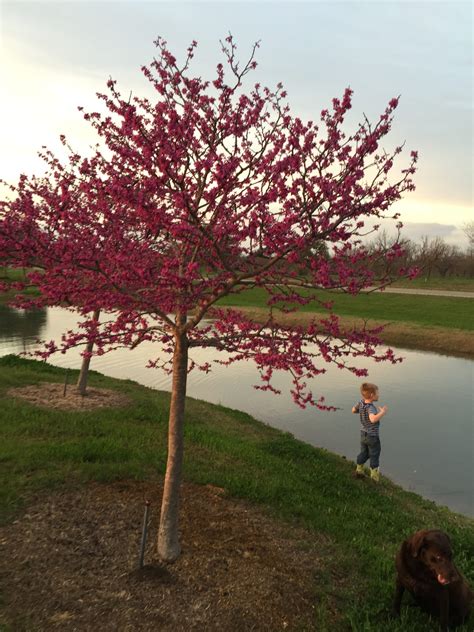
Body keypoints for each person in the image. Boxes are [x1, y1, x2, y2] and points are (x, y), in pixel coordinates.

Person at [352, 382, 387, 482]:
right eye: (377, 393)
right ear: (372, 395)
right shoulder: (371, 407)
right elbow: (373, 419)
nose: (378, 395)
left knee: (364, 453)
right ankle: (374, 478)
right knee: (374, 455)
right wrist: (382, 413)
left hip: (363, 434)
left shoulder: (361, 403)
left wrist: (361, 411)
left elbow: (353, 410)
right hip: (372, 436)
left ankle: (359, 470)